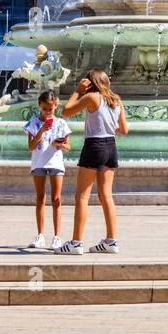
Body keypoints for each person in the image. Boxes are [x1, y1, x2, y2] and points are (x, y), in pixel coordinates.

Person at [58, 70, 128, 255]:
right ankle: (111, 241)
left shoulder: (91, 98)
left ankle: (75, 243)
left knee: (82, 196)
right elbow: (124, 129)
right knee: (107, 195)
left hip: (94, 145)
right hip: (110, 146)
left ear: (91, 83)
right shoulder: (116, 100)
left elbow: (65, 112)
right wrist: (107, 123)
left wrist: (77, 91)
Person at [24, 90, 71, 250]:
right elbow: (31, 146)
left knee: (57, 199)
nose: (47, 112)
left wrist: (59, 144)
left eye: (50, 109)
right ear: (39, 106)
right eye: (44, 109)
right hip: (38, 163)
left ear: (55, 106)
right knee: (40, 198)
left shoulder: (62, 124)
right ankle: (40, 235)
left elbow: (67, 147)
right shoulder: (33, 123)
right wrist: (41, 130)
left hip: (56, 163)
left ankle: (57, 236)